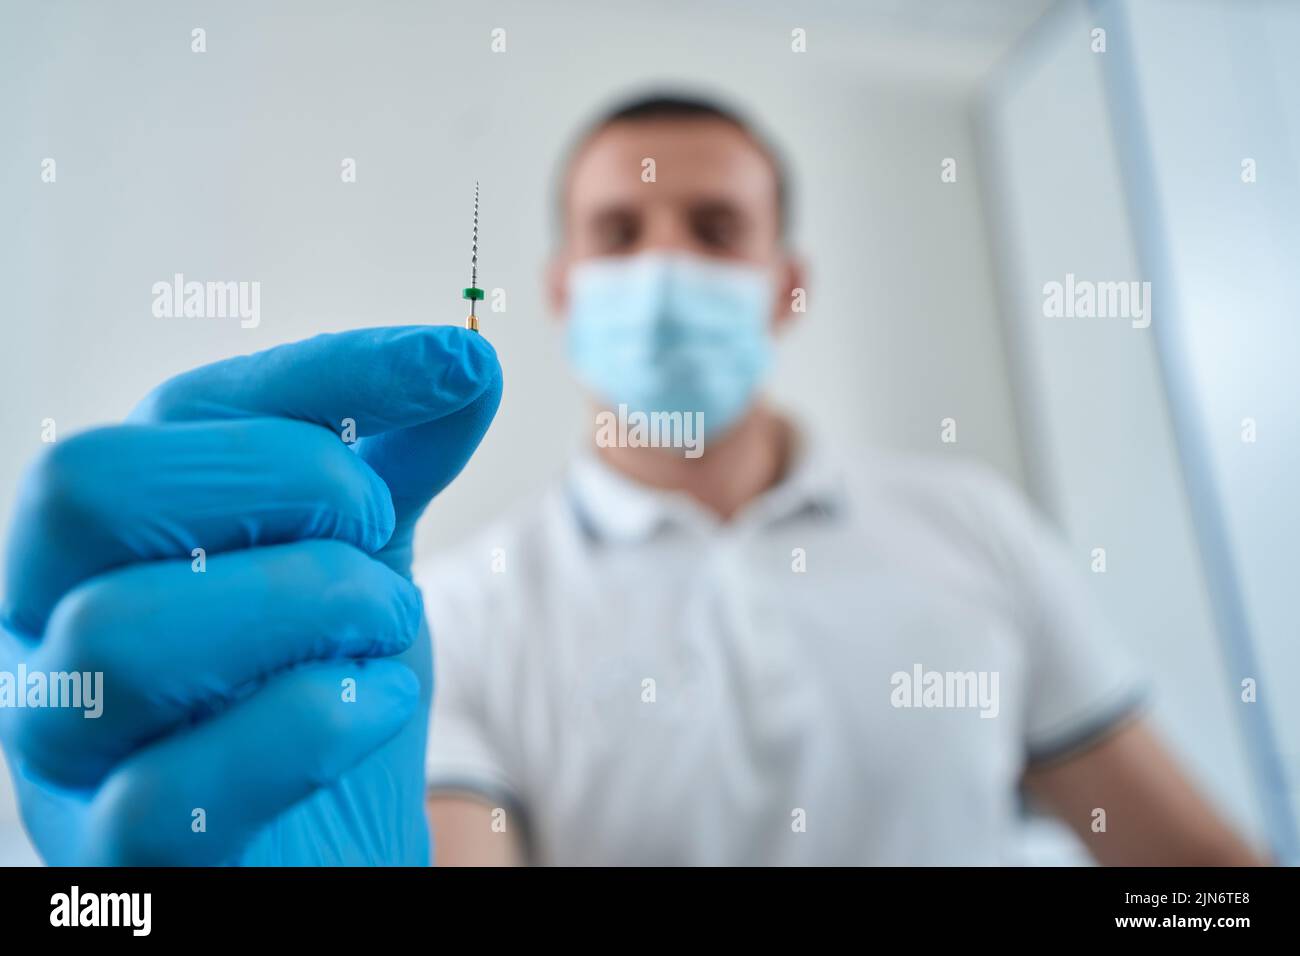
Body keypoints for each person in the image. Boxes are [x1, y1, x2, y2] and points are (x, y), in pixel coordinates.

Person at [419, 94, 1264, 865]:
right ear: (563, 292)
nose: (665, 267)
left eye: (715, 229)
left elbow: (1197, 877)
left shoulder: (972, 524)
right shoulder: (460, 609)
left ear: (788, 288)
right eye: (620, 232)